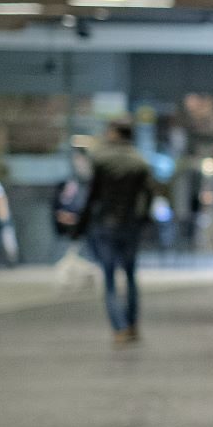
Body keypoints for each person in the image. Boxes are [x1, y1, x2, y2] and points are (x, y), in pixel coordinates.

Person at [77, 119, 153, 345]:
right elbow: (148, 195)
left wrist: (81, 223)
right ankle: (132, 325)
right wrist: (143, 219)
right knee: (130, 275)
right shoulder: (140, 161)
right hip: (130, 224)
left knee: (109, 278)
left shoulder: (101, 159)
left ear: (115, 133)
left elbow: (92, 195)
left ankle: (119, 328)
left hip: (106, 223)